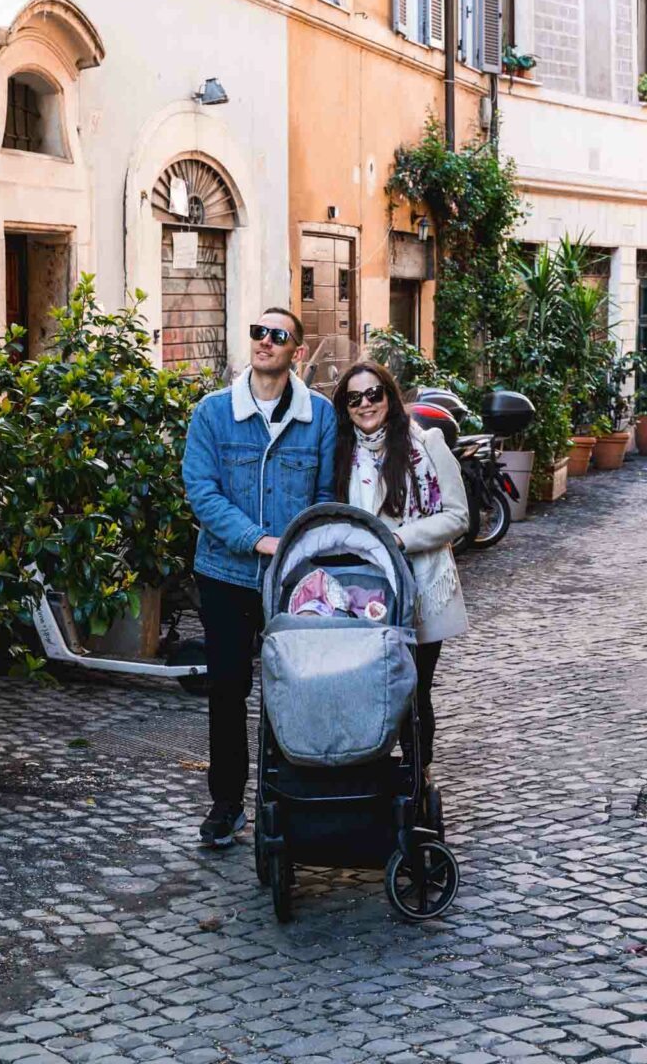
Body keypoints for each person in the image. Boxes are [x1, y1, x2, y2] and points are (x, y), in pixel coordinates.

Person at [183, 309, 337, 847]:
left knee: (291, 687)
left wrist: (297, 550)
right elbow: (202, 492)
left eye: (277, 336)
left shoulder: (319, 415)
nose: (264, 342)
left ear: (296, 351)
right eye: (258, 333)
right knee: (226, 689)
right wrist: (258, 539)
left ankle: (283, 795)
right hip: (225, 574)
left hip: (293, 577)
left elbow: (325, 494)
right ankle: (226, 804)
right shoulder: (212, 413)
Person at [332, 359, 469, 774]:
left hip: (423, 584)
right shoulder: (341, 452)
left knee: (413, 689)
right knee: (366, 685)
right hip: (364, 588)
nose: (366, 404)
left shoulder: (426, 444)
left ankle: (415, 776)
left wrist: (399, 538)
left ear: (389, 396)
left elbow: (458, 516)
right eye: (355, 398)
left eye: (374, 393)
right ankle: (367, 772)